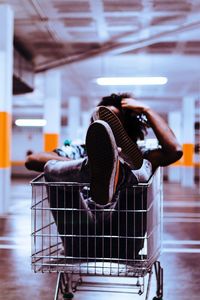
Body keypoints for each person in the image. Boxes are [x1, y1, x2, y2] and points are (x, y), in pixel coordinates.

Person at [26, 93, 183, 258]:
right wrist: (90, 165)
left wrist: (146, 110)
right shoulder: (80, 149)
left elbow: (175, 151)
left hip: (123, 240)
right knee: (52, 169)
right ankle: (91, 169)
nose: (104, 122)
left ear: (124, 126)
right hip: (81, 239)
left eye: (112, 119)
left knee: (143, 168)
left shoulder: (139, 153)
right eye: (99, 117)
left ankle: (120, 173)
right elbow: (33, 160)